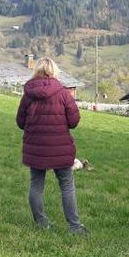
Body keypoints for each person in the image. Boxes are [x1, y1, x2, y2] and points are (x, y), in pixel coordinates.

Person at [16, 57, 86, 233]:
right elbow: (74, 121)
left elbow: (20, 122)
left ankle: (42, 224)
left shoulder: (28, 95)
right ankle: (75, 226)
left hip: (35, 148)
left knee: (36, 185)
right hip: (60, 148)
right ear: (54, 71)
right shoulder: (63, 94)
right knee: (67, 185)